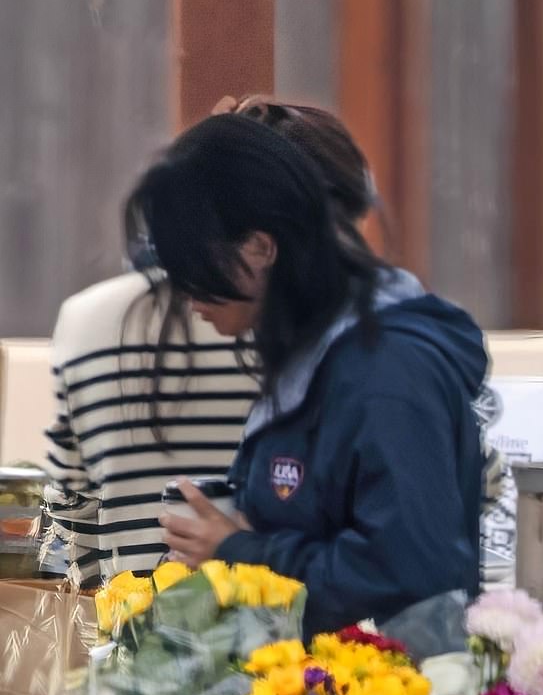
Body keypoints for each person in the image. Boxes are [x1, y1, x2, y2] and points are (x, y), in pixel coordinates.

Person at [125, 113, 488, 649]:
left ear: (260, 247)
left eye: (191, 265)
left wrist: (241, 553)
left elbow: (408, 571)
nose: (185, 293)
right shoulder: (314, 354)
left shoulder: (386, 369)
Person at [43, 97, 381, 586]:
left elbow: (69, 524)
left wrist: (130, 612)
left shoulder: (85, 320)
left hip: (137, 638)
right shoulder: (347, 336)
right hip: (317, 652)